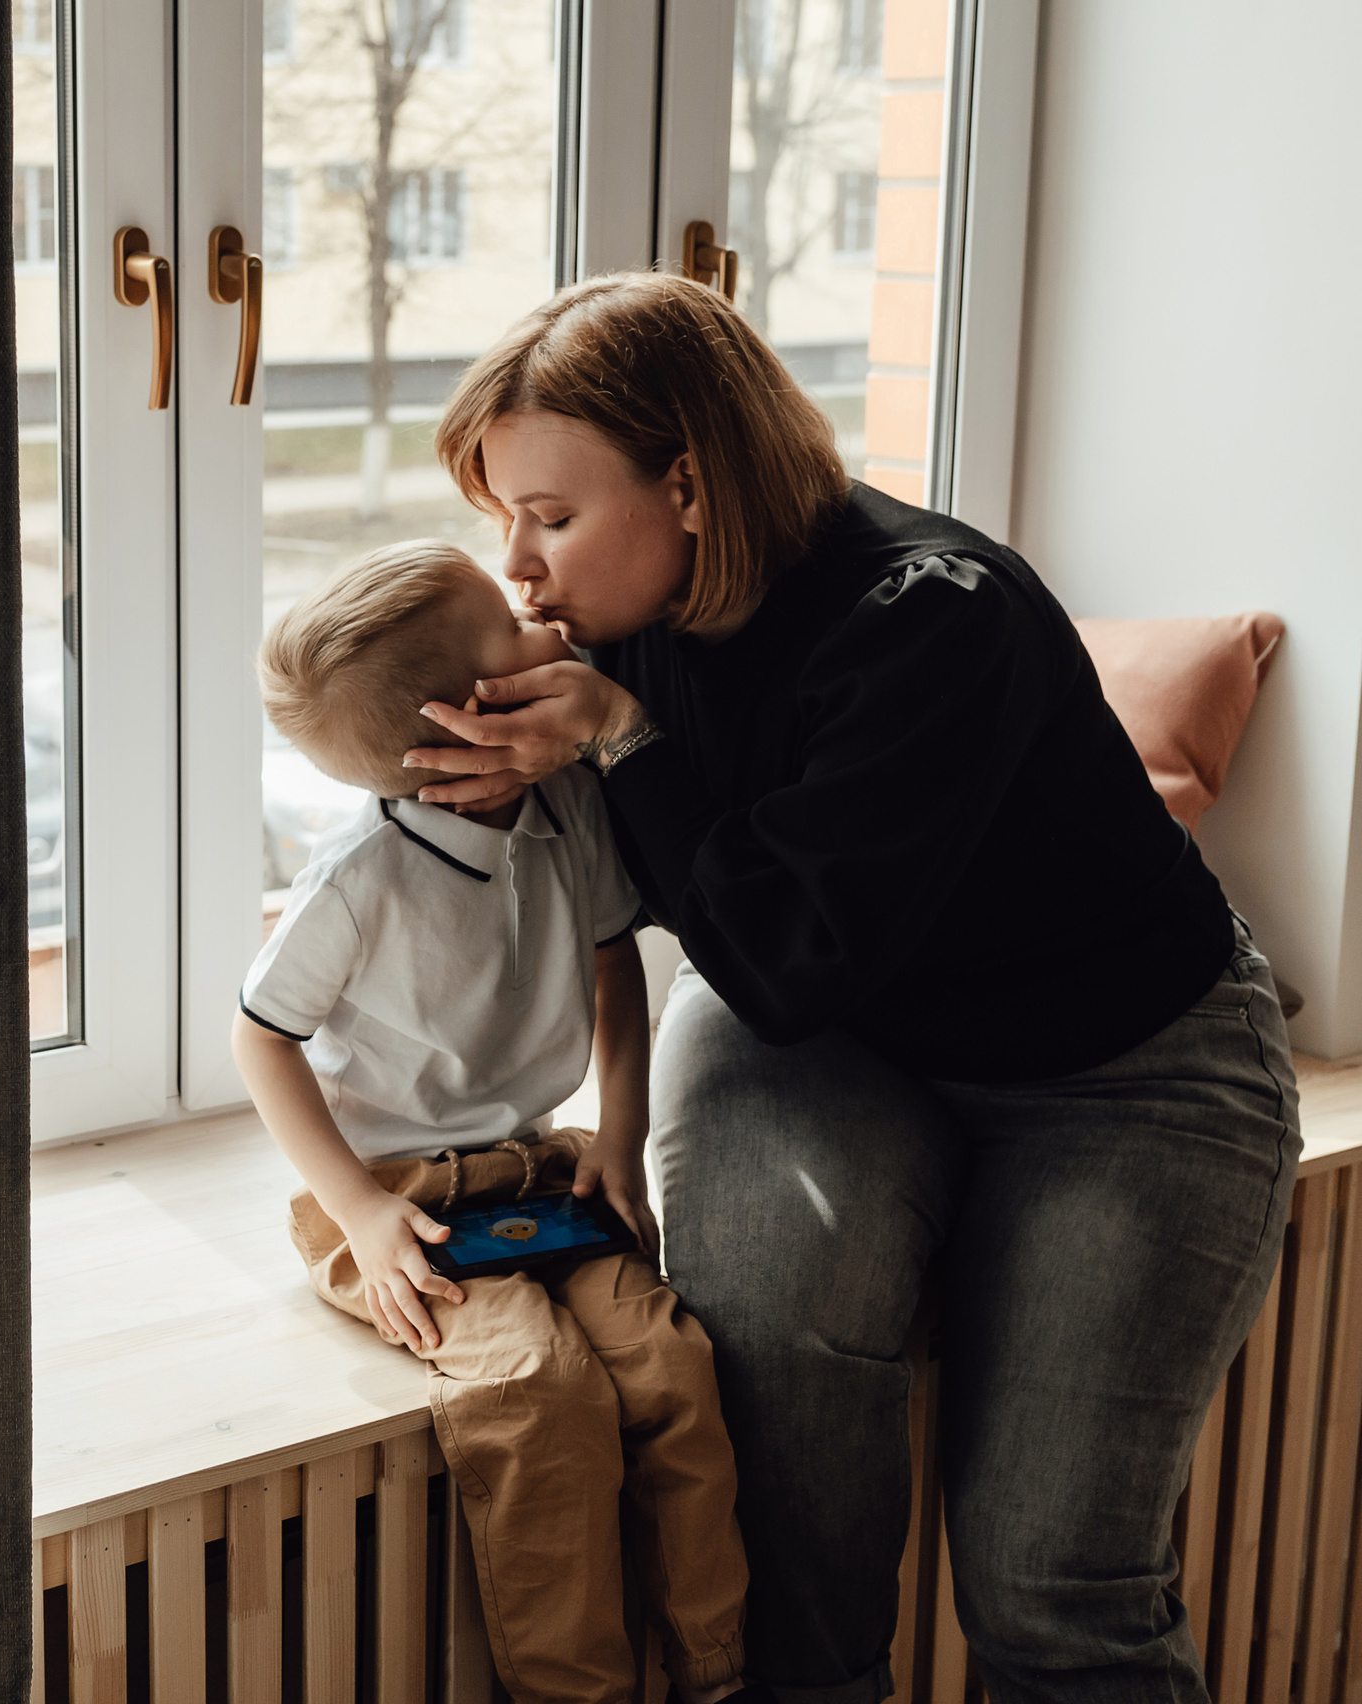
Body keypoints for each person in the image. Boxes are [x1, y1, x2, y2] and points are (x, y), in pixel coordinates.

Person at [400, 273, 1299, 1704]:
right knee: (790, 1579)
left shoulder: (931, 618)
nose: (520, 566)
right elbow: (718, 961)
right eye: (503, 514)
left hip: (1123, 1072)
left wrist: (626, 742)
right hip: (831, 1041)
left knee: (1055, 1591)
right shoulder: (618, 617)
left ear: (687, 486)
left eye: (551, 517)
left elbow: (780, 955)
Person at [232, 540, 750, 1704]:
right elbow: (259, 1037)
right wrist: (360, 1214)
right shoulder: (360, 874)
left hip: (543, 1168)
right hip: (395, 1203)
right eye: (511, 633)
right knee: (536, 1399)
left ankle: (718, 1669)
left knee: (670, 1366)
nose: (545, 623)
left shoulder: (571, 800)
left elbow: (620, 966)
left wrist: (621, 1137)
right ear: (468, 717)